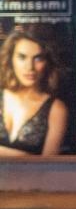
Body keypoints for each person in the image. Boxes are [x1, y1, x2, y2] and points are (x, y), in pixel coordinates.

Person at [1, 26, 69, 158]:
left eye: (38, 59)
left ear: (47, 62)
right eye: (22, 57)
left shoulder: (56, 109)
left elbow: (48, 165)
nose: (29, 67)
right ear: (11, 59)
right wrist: (27, 156)